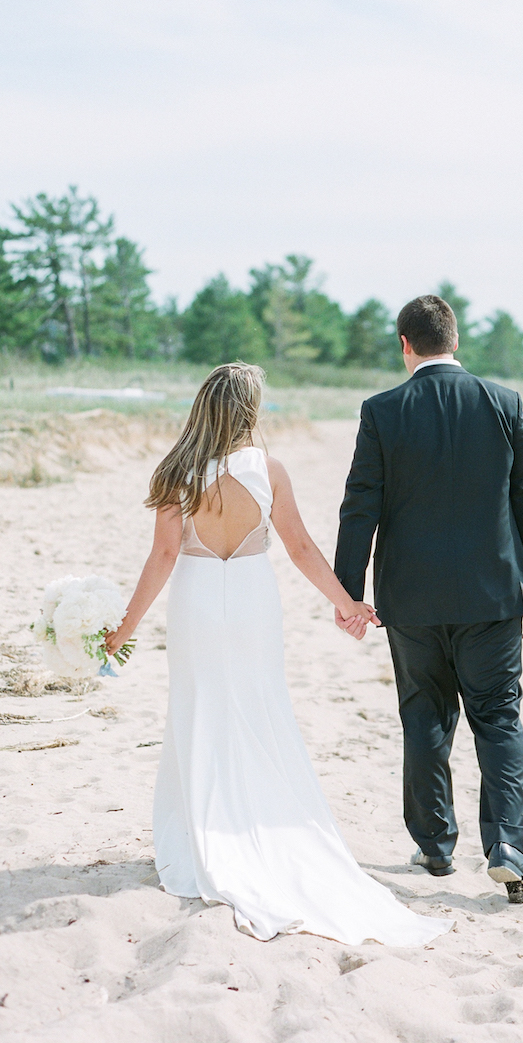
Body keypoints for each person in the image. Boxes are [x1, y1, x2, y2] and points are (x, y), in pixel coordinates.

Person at [104, 362, 450, 946]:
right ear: (249, 412)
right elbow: (300, 547)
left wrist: (121, 631)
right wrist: (349, 603)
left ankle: (203, 830)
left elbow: (162, 557)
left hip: (195, 601)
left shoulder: (177, 472)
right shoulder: (269, 470)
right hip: (251, 602)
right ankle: (259, 820)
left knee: (198, 707)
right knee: (260, 707)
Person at [335, 295, 523, 903]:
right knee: (498, 717)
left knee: (424, 715)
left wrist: (350, 592)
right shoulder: (503, 403)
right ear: (455, 340)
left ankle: (435, 845)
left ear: (406, 344)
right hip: (494, 596)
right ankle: (507, 844)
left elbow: (360, 506)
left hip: (412, 600)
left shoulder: (382, 411)